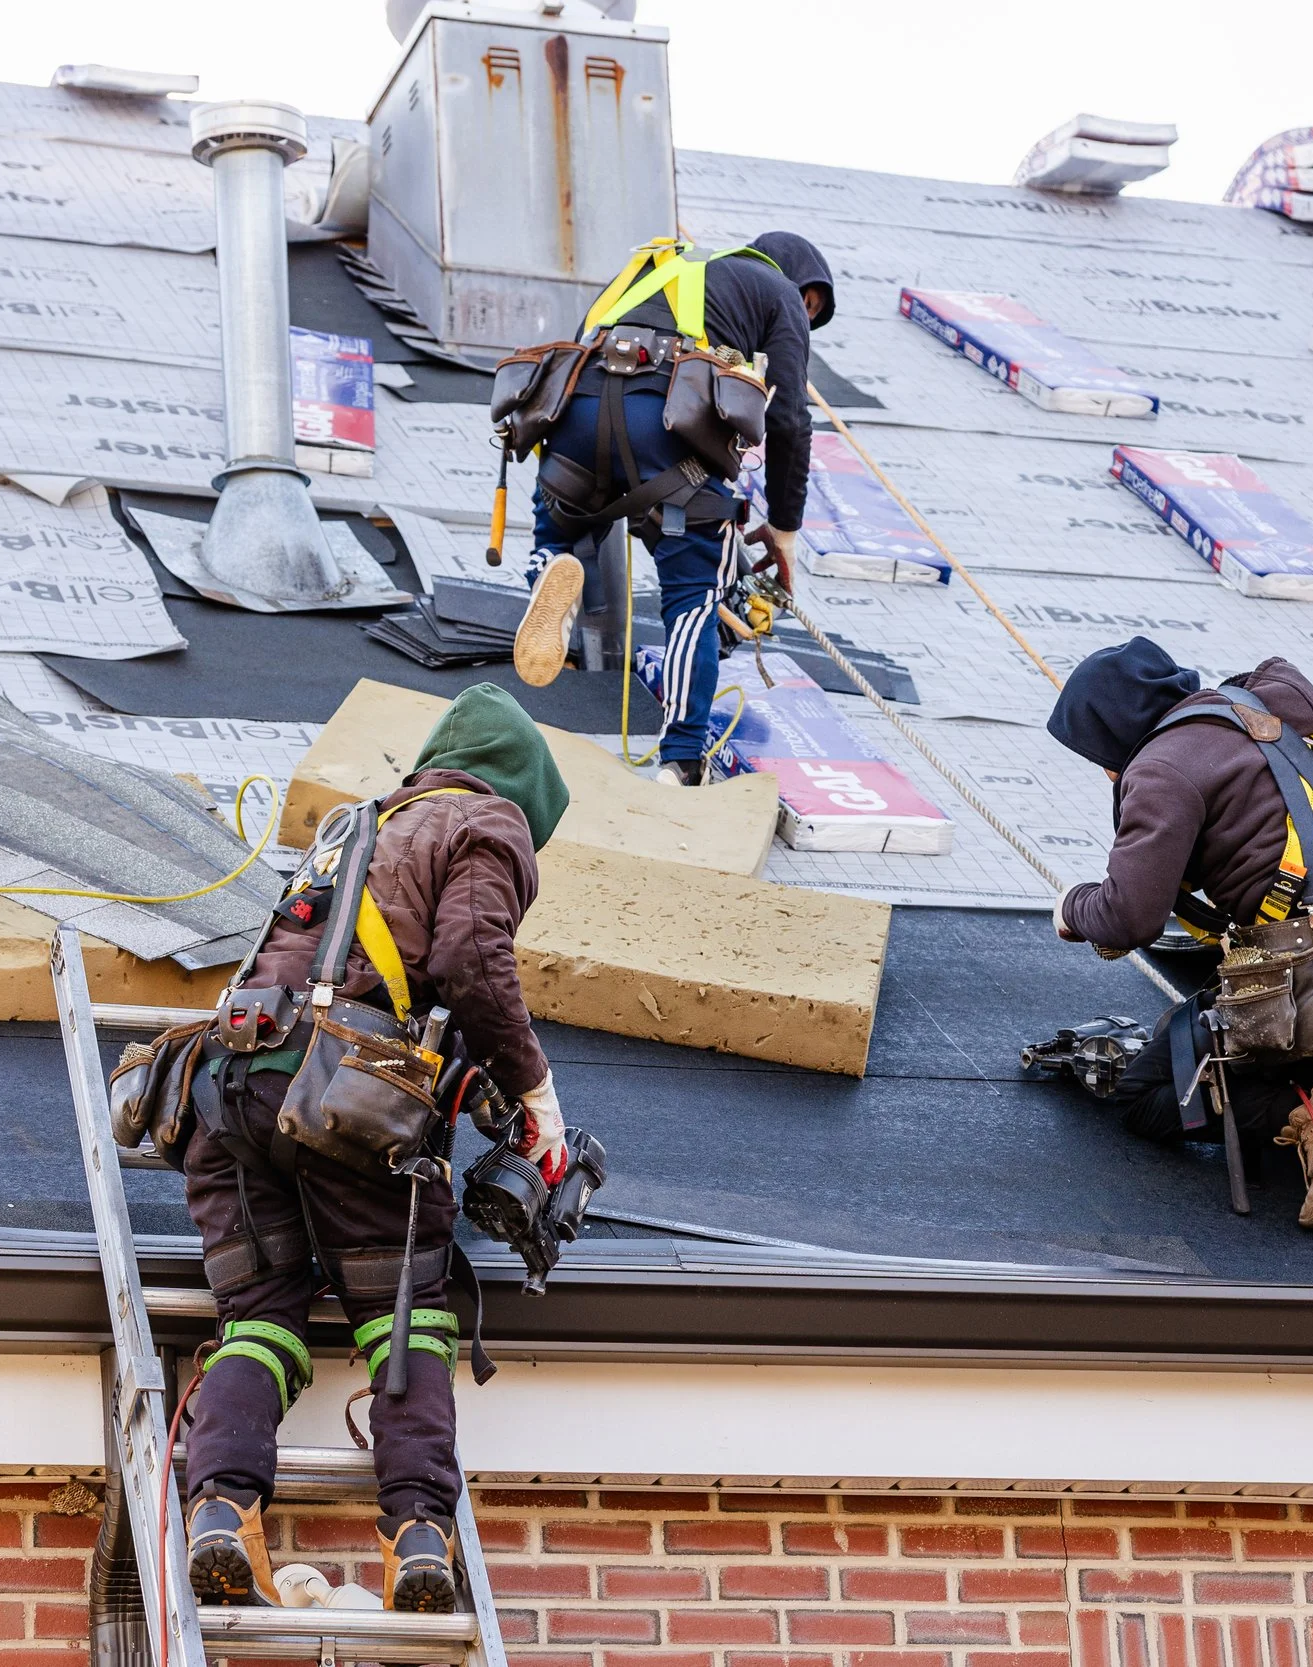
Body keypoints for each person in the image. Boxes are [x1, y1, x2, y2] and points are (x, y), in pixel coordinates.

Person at [179, 685, 573, 1612]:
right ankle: (420, 1537)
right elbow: (470, 961)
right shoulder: (488, 823)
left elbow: (353, 978)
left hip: (230, 1092)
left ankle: (220, 1513)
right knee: (409, 1318)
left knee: (263, 1316)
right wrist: (535, 1092)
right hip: (348, 1115)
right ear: (518, 796)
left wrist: (466, 1083)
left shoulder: (354, 830)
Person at [1044, 639, 1313, 1228]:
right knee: (1297, 1049)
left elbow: (1129, 918)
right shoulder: (1269, 713)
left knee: (1148, 1097)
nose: (1103, 770)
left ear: (1115, 733)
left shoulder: (1161, 768)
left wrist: (1072, 910)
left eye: (1098, 753)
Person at [511, 231, 836, 786]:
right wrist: (784, 527)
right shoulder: (777, 292)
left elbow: (582, 342)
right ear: (794, 278)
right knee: (692, 595)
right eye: (811, 305)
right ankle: (681, 760)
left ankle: (550, 572)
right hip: (665, 432)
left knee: (558, 525)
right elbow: (787, 424)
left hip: (575, 419)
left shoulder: (654, 267)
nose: (805, 318)